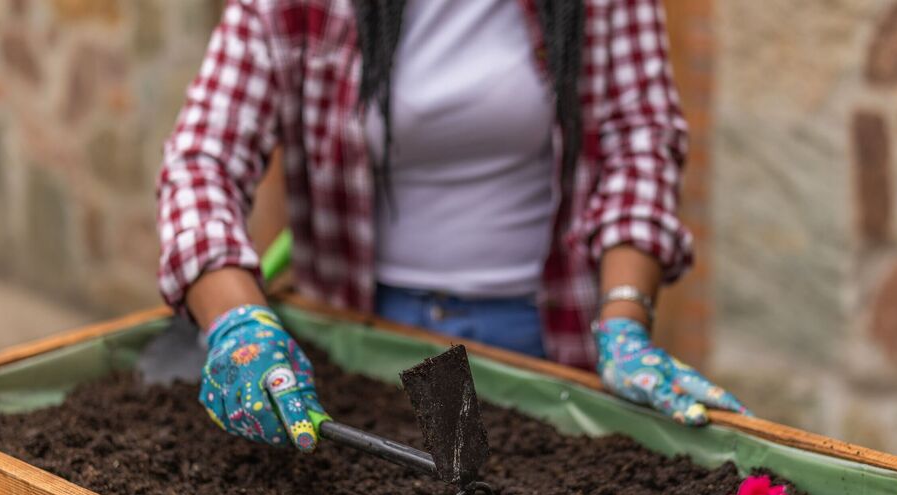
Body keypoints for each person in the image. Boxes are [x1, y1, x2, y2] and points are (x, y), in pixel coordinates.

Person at [157, 0, 748, 452]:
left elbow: (640, 138)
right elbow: (202, 159)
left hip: (537, 341)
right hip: (366, 338)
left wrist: (624, 316)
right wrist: (237, 322)